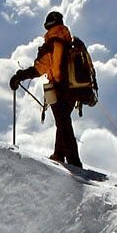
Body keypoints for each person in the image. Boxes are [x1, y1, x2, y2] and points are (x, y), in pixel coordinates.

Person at [9, 10, 82, 168]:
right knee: (63, 122)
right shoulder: (70, 41)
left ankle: (74, 163)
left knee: (63, 124)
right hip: (74, 89)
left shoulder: (53, 43)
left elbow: (40, 69)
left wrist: (19, 76)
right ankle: (59, 155)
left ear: (48, 26)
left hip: (59, 88)